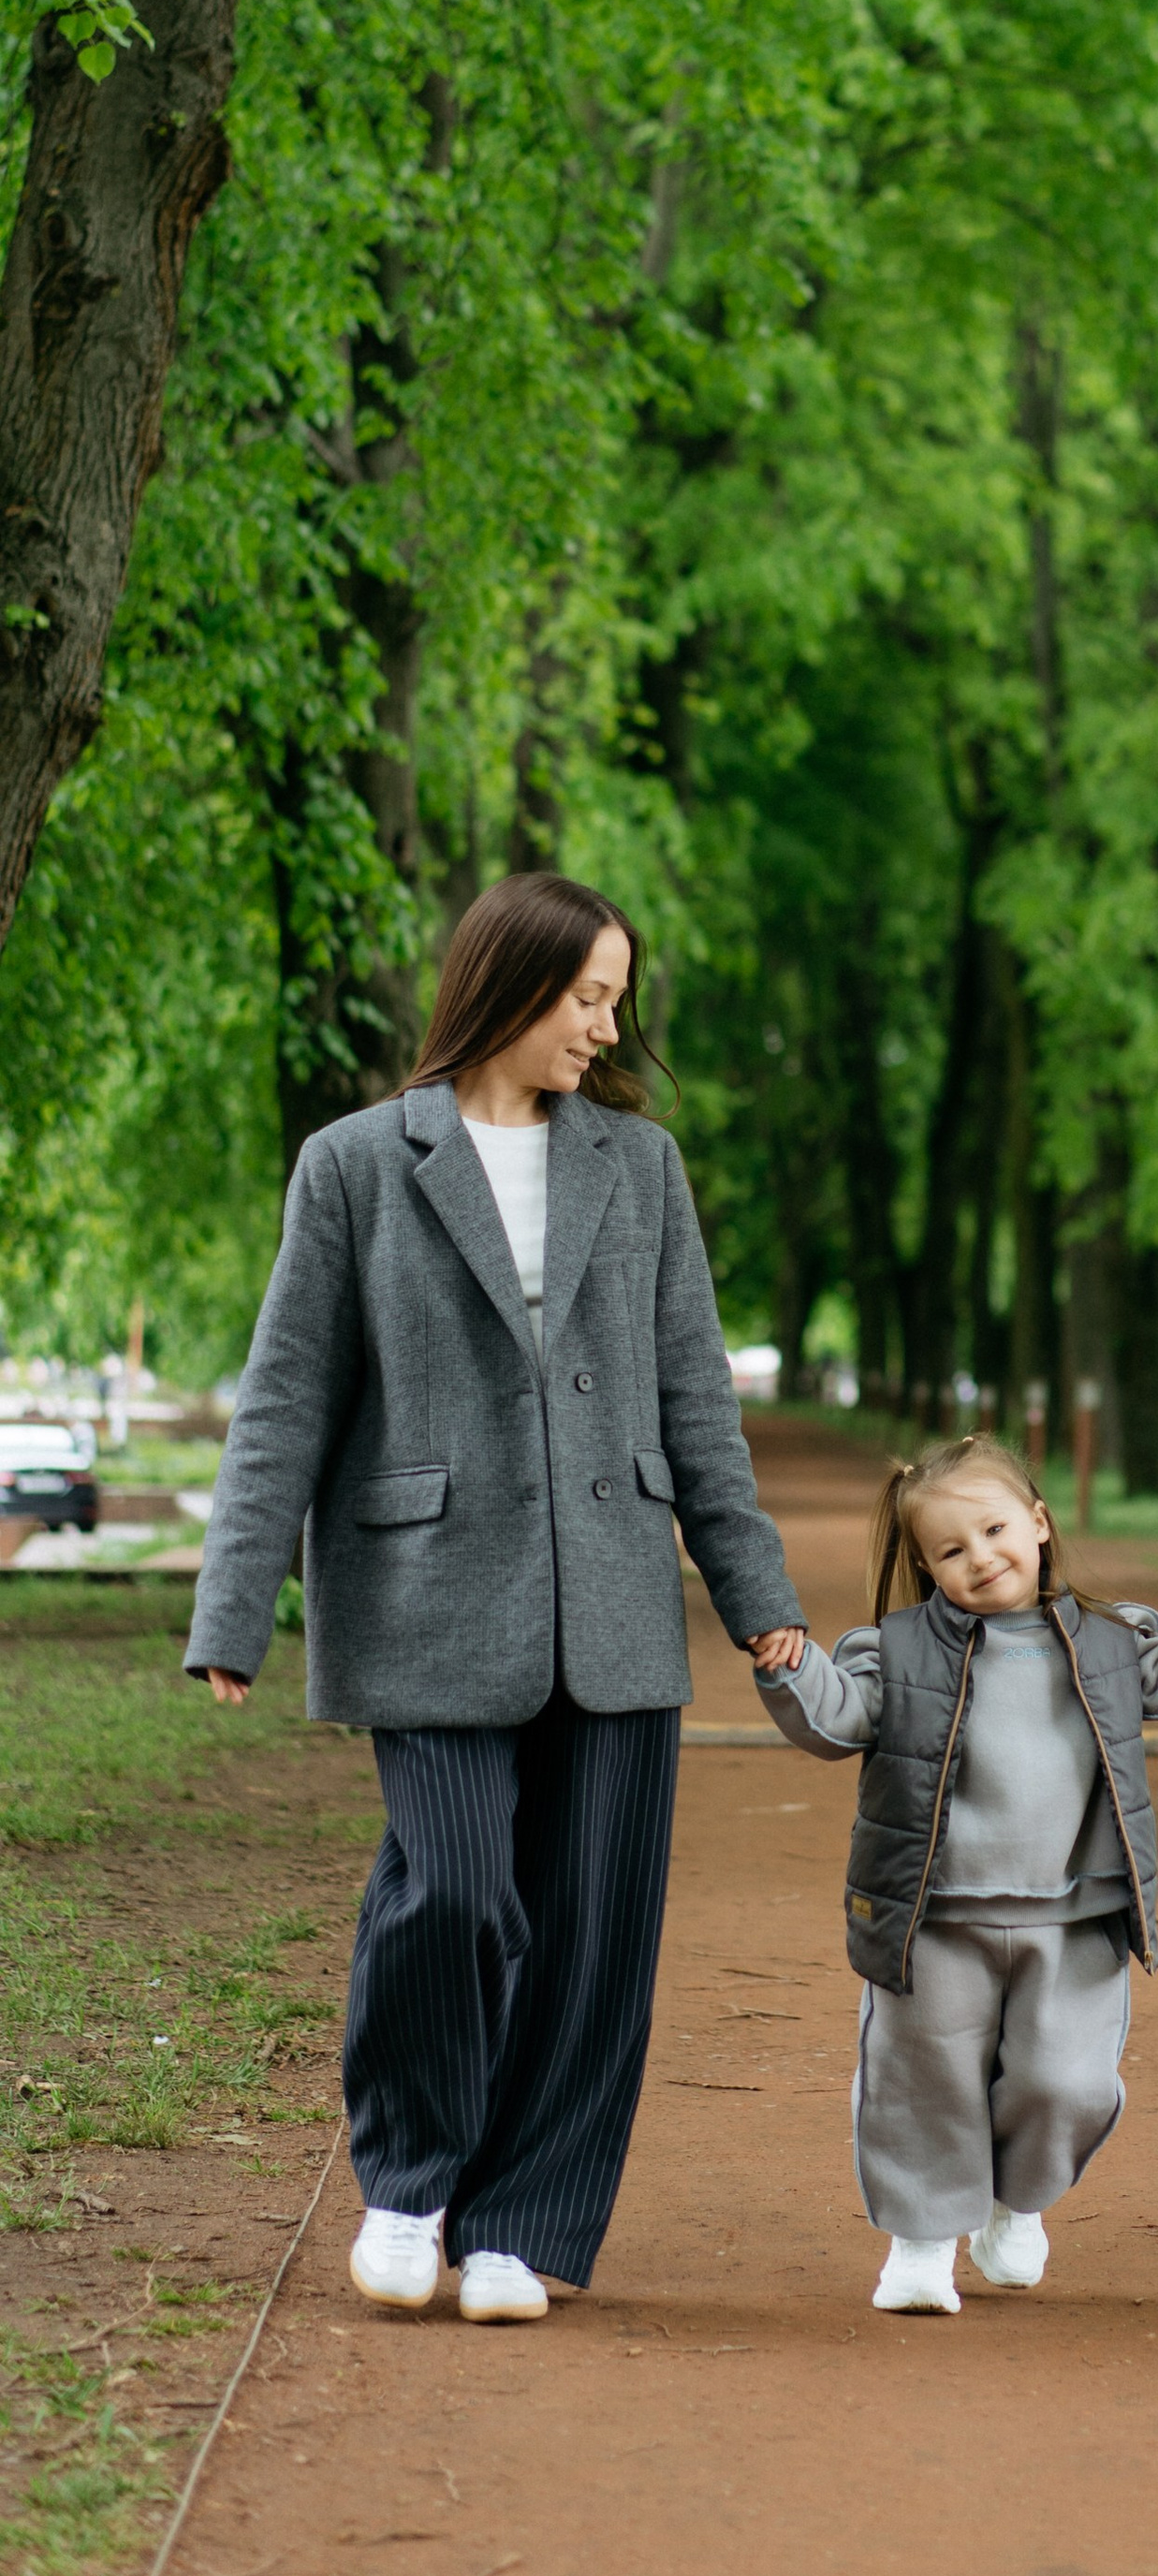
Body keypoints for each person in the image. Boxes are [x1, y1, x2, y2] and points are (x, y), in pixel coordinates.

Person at [186, 872, 806, 2326]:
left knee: (594, 1932)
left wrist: (755, 1592)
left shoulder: (639, 1170)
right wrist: (232, 1611)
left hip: (612, 1606)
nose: (607, 1026)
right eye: (586, 996)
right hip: (422, 1601)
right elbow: (285, 1400)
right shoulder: (352, 1164)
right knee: (451, 1888)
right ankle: (411, 2184)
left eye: (614, 999)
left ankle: (525, 2217)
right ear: (508, 984)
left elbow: (696, 1398)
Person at [755, 1434, 1158, 2313]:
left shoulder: (1109, 1643)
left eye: (995, 1530)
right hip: (936, 1917)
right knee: (926, 2077)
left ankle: (1013, 2202)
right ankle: (921, 2244)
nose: (981, 1558)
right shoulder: (898, 1651)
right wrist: (792, 1664)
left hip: (1073, 1917)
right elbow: (837, 1719)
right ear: (926, 1567)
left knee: (1066, 2082)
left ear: (1037, 1522)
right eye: (951, 1551)